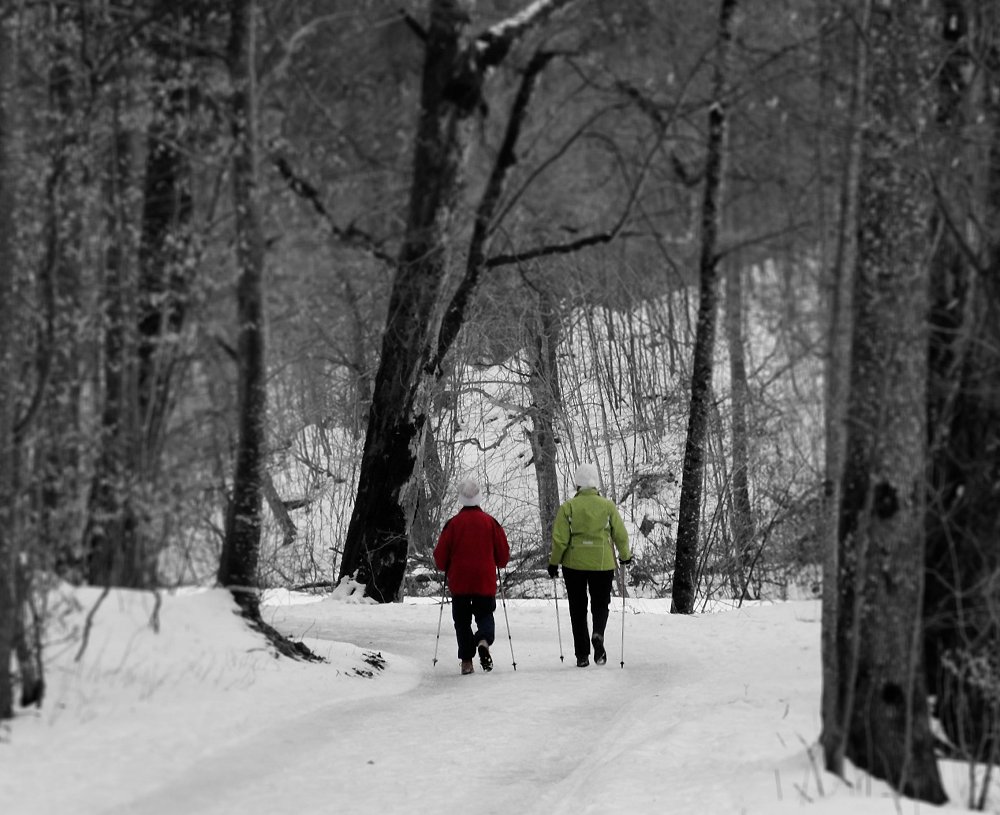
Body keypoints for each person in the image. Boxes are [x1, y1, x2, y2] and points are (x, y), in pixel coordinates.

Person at [548, 463, 631, 667]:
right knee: (600, 604)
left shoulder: (568, 507)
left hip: (573, 563)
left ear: (577, 484)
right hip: (602, 563)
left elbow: (560, 540)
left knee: (578, 608)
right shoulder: (607, 506)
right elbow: (620, 534)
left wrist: (554, 563)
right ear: (595, 483)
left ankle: (582, 655)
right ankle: (598, 634)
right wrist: (625, 556)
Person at [434, 477, 510, 675]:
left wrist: (446, 565)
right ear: (479, 498)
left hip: (460, 582)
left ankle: (467, 661)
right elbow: (503, 558)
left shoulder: (453, 524)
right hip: (484, 581)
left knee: (462, 621)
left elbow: (440, 558)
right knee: (485, 615)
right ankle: (483, 641)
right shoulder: (491, 523)